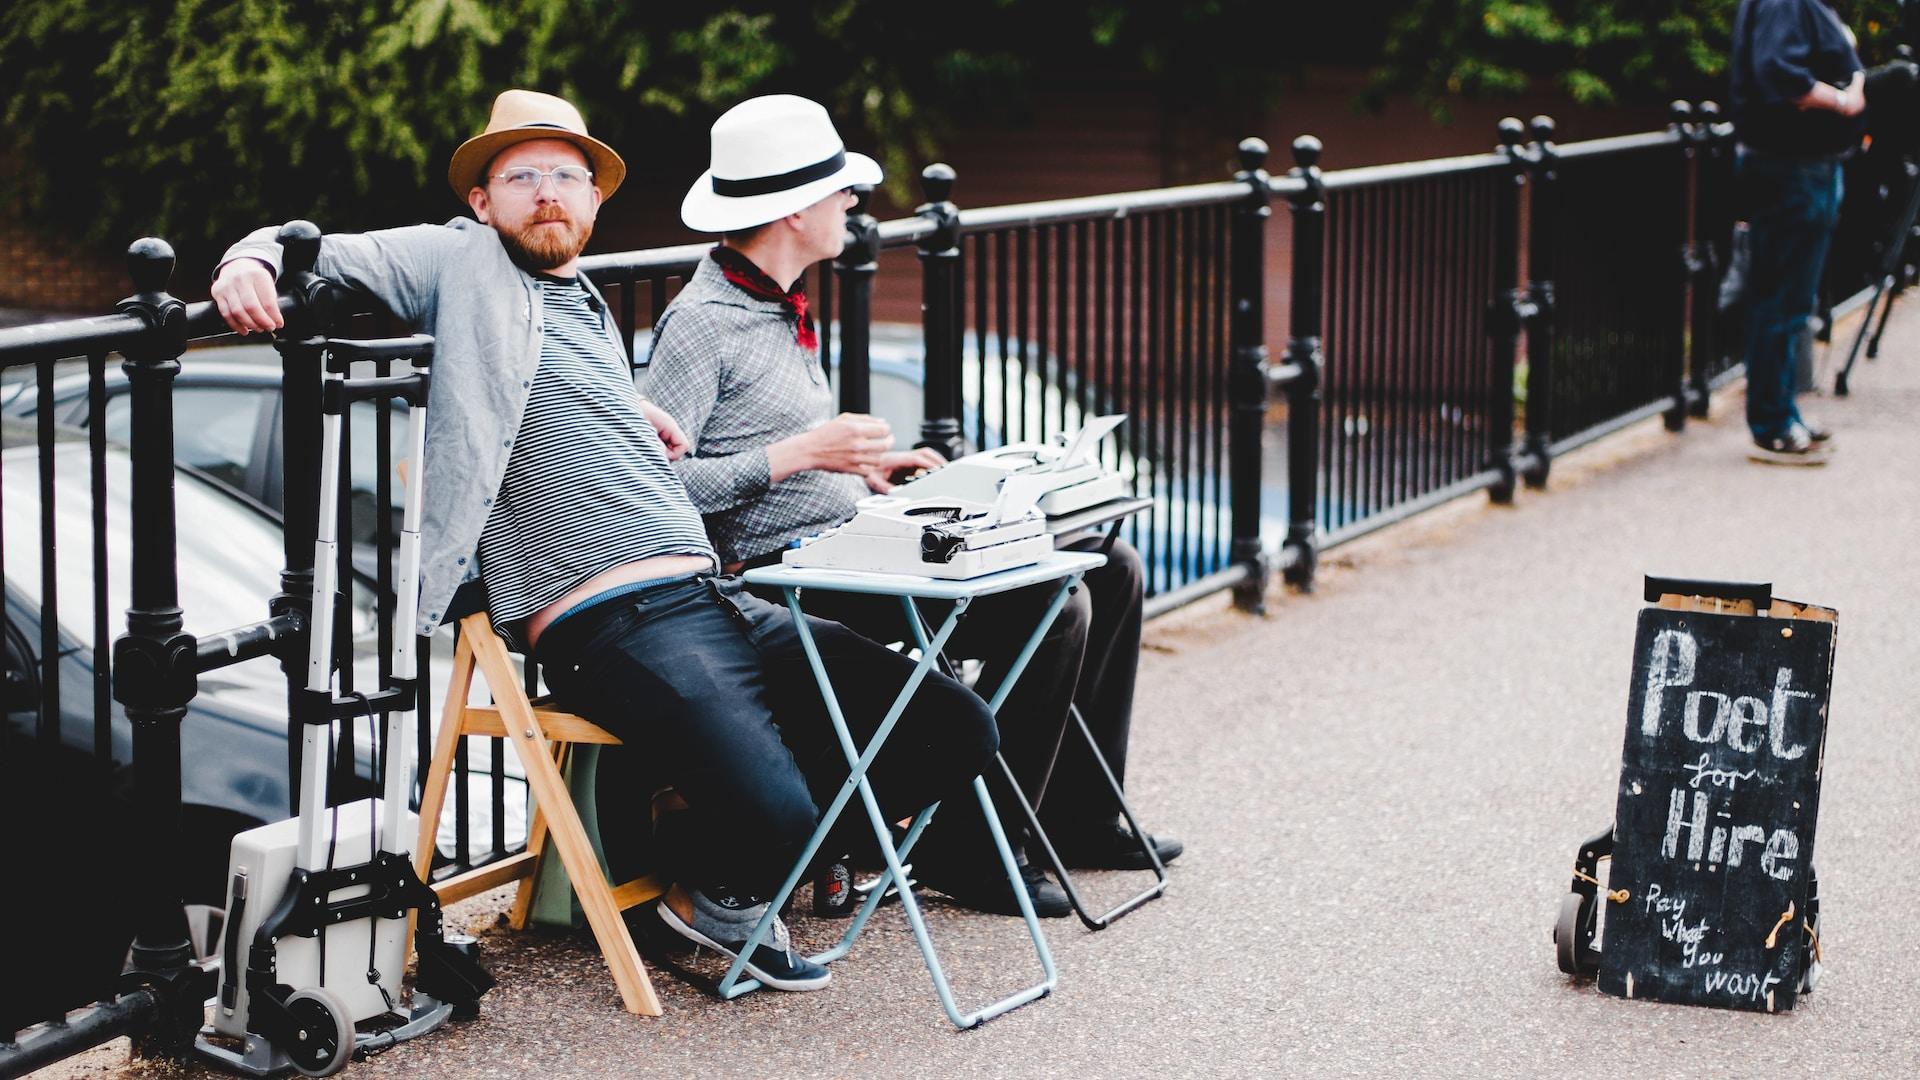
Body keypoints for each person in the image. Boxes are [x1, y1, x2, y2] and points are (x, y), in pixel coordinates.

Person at [209, 89, 999, 992]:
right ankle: (722, 884)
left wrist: (632, 410)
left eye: (566, 176)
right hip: (609, 616)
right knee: (780, 811)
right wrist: (248, 262)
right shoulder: (456, 259)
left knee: (953, 727)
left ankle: (727, 862)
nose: (546, 192)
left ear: (592, 201)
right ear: (481, 201)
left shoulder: (576, 296)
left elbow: (542, 388)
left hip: (717, 594)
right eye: (521, 176)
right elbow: (317, 251)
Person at [646, 95, 1182, 918]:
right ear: (794, 213)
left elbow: (782, 456)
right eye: (839, 192)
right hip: (776, 582)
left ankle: (1075, 819)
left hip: (845, 542)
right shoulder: (701, 323)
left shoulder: (773, 304)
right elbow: (658, 485)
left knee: (1112, 564)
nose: (853, 206)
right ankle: (970, 850)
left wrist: (867, 471)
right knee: (1054, 598)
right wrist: (804, 455)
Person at [1729, 0, 1867, 464]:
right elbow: (1781, 74)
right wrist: (1845, 99)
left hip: (1800, 168)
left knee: (1787, 300)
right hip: (1792, 169)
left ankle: (1781, 414)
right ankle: (1772, 425)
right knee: (1781, 299)